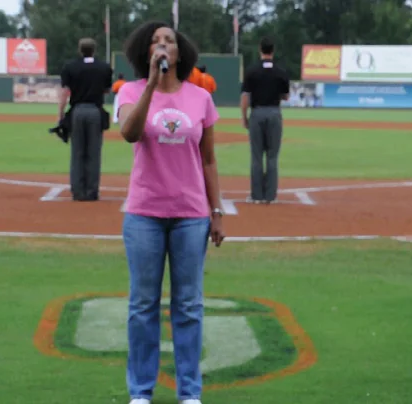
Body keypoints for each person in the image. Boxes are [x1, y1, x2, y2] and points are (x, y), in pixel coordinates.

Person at [116, 20, 226, 404]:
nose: (163, 45)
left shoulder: (200, 98)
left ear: (181, 53)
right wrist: (150, 84)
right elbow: (130, 133)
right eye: (155, 41)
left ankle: (190, 393)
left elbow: (209, 159)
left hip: (191, 214)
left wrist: (217, 210)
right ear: (146, 52)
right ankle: (141, 392)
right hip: (144, 213)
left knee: (190, 306)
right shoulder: (129, 91)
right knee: (143, 304)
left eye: (170, 40)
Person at [59, 37, 113, 201]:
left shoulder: (70, 67)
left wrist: (60, 114)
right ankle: (92, 191)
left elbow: (64, 93)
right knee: (94, 152)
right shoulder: (104, 67)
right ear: (94, 50)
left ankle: (78, 191)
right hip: (95, 111)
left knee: (77, 152)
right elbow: (107, 90)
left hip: (77, 110)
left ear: (80, 50)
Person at [240, 36, 290, 204]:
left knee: (256, 156)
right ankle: (270, 196)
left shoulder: (252, 70)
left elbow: (245, 97)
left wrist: (244, 117)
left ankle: (256, 195)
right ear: (273, 50)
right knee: (272, 156)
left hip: (257, 112)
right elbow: (286, 96)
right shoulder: (280, 71)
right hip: (274, 113)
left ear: (260, 50)